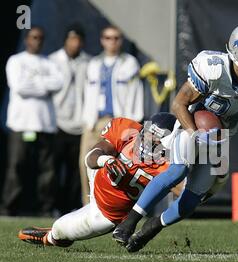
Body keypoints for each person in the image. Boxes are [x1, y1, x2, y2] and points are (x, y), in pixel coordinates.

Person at [113, 22, 238, 252]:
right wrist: (194, 134)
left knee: (193, 199)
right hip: (192, 124)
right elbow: (178, 103)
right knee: (178, 170)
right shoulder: (213, 68)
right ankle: (129, 222)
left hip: (220, 138)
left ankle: (152, 228)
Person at [18, 113, 183, 247]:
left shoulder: (169, 166)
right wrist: (106, 160)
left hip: (106, 214)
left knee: (58, 230)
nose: (147, 142)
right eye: (147, 134)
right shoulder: (126, 130)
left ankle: (49, 237)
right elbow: (91, 157)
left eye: (155, 140)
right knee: (93, 161)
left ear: (167, 146)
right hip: (97, 175)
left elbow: (187, 193)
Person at [0, 26, 63, 216]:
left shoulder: (50, 62)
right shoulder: (16, 61)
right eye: (34, 37)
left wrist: (34, 84)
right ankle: (8, 207)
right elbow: (19, 87)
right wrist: (44, 85)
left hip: (45, 125)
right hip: (21, 125)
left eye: (40, 38)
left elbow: (59, 83)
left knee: (47, 171)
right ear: (27, 39)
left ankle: (45, 208)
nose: (37, 41)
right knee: (16, 167)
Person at [80, 25, 144, 206]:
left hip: (118, 123)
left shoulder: (129, 62)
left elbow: (136, 92)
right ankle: (88, 205)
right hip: (94, 121)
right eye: (108, 38)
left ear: (121, 40)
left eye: (116, 38)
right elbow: (87, 93)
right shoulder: (93, 64)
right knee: (86, 162)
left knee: (118, 166)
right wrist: (87, 120)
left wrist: (133, 122)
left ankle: (112, 206)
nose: (112, 42)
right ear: (102, 40)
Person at [49, 24, 91, 214]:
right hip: (57, 122)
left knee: (76, 169)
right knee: (54, 169)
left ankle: (71, 205)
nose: (75, 44)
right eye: (72, 39)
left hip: (79, 124)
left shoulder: (88, 62)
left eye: (78, 40)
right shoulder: (52, 61)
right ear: (66, 40)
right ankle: (54, 205)